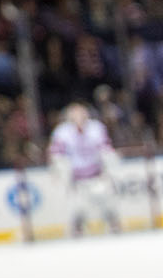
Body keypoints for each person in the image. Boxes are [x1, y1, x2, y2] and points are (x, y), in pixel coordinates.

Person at [47, 101, 120, 237]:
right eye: (75, 115)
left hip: (96, 174)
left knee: (108, 200)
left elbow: (105, 149)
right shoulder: (62, 132)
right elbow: (56, 154)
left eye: (81, 113)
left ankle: (113, 223)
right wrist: (59, 171)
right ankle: (77, 228)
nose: (79, 118)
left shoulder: (96, 128)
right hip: (76, 178)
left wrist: (110, 166)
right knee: (77, 207)